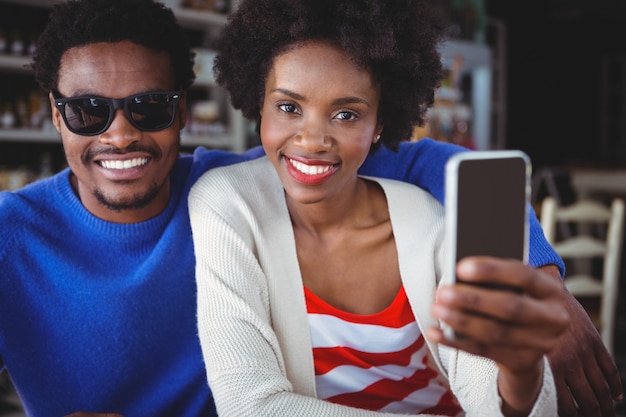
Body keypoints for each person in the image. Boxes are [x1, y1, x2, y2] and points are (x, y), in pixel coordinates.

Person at [0, 0, 619, 416]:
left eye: (148, 108)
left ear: (183, 112)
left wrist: (537, 275)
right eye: (87, 110)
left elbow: (432, 163)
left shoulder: (234, 183)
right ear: (56, 113)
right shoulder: (11, 233)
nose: (119, 135)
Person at [188, 0, 567, 415]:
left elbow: (492, 399)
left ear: (379, 125)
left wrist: (521, 374)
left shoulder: (430, 224)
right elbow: (250, 406)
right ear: (258, 103)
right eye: (288, 107)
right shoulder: (227, 205)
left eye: (346, 114)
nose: (313, 139)